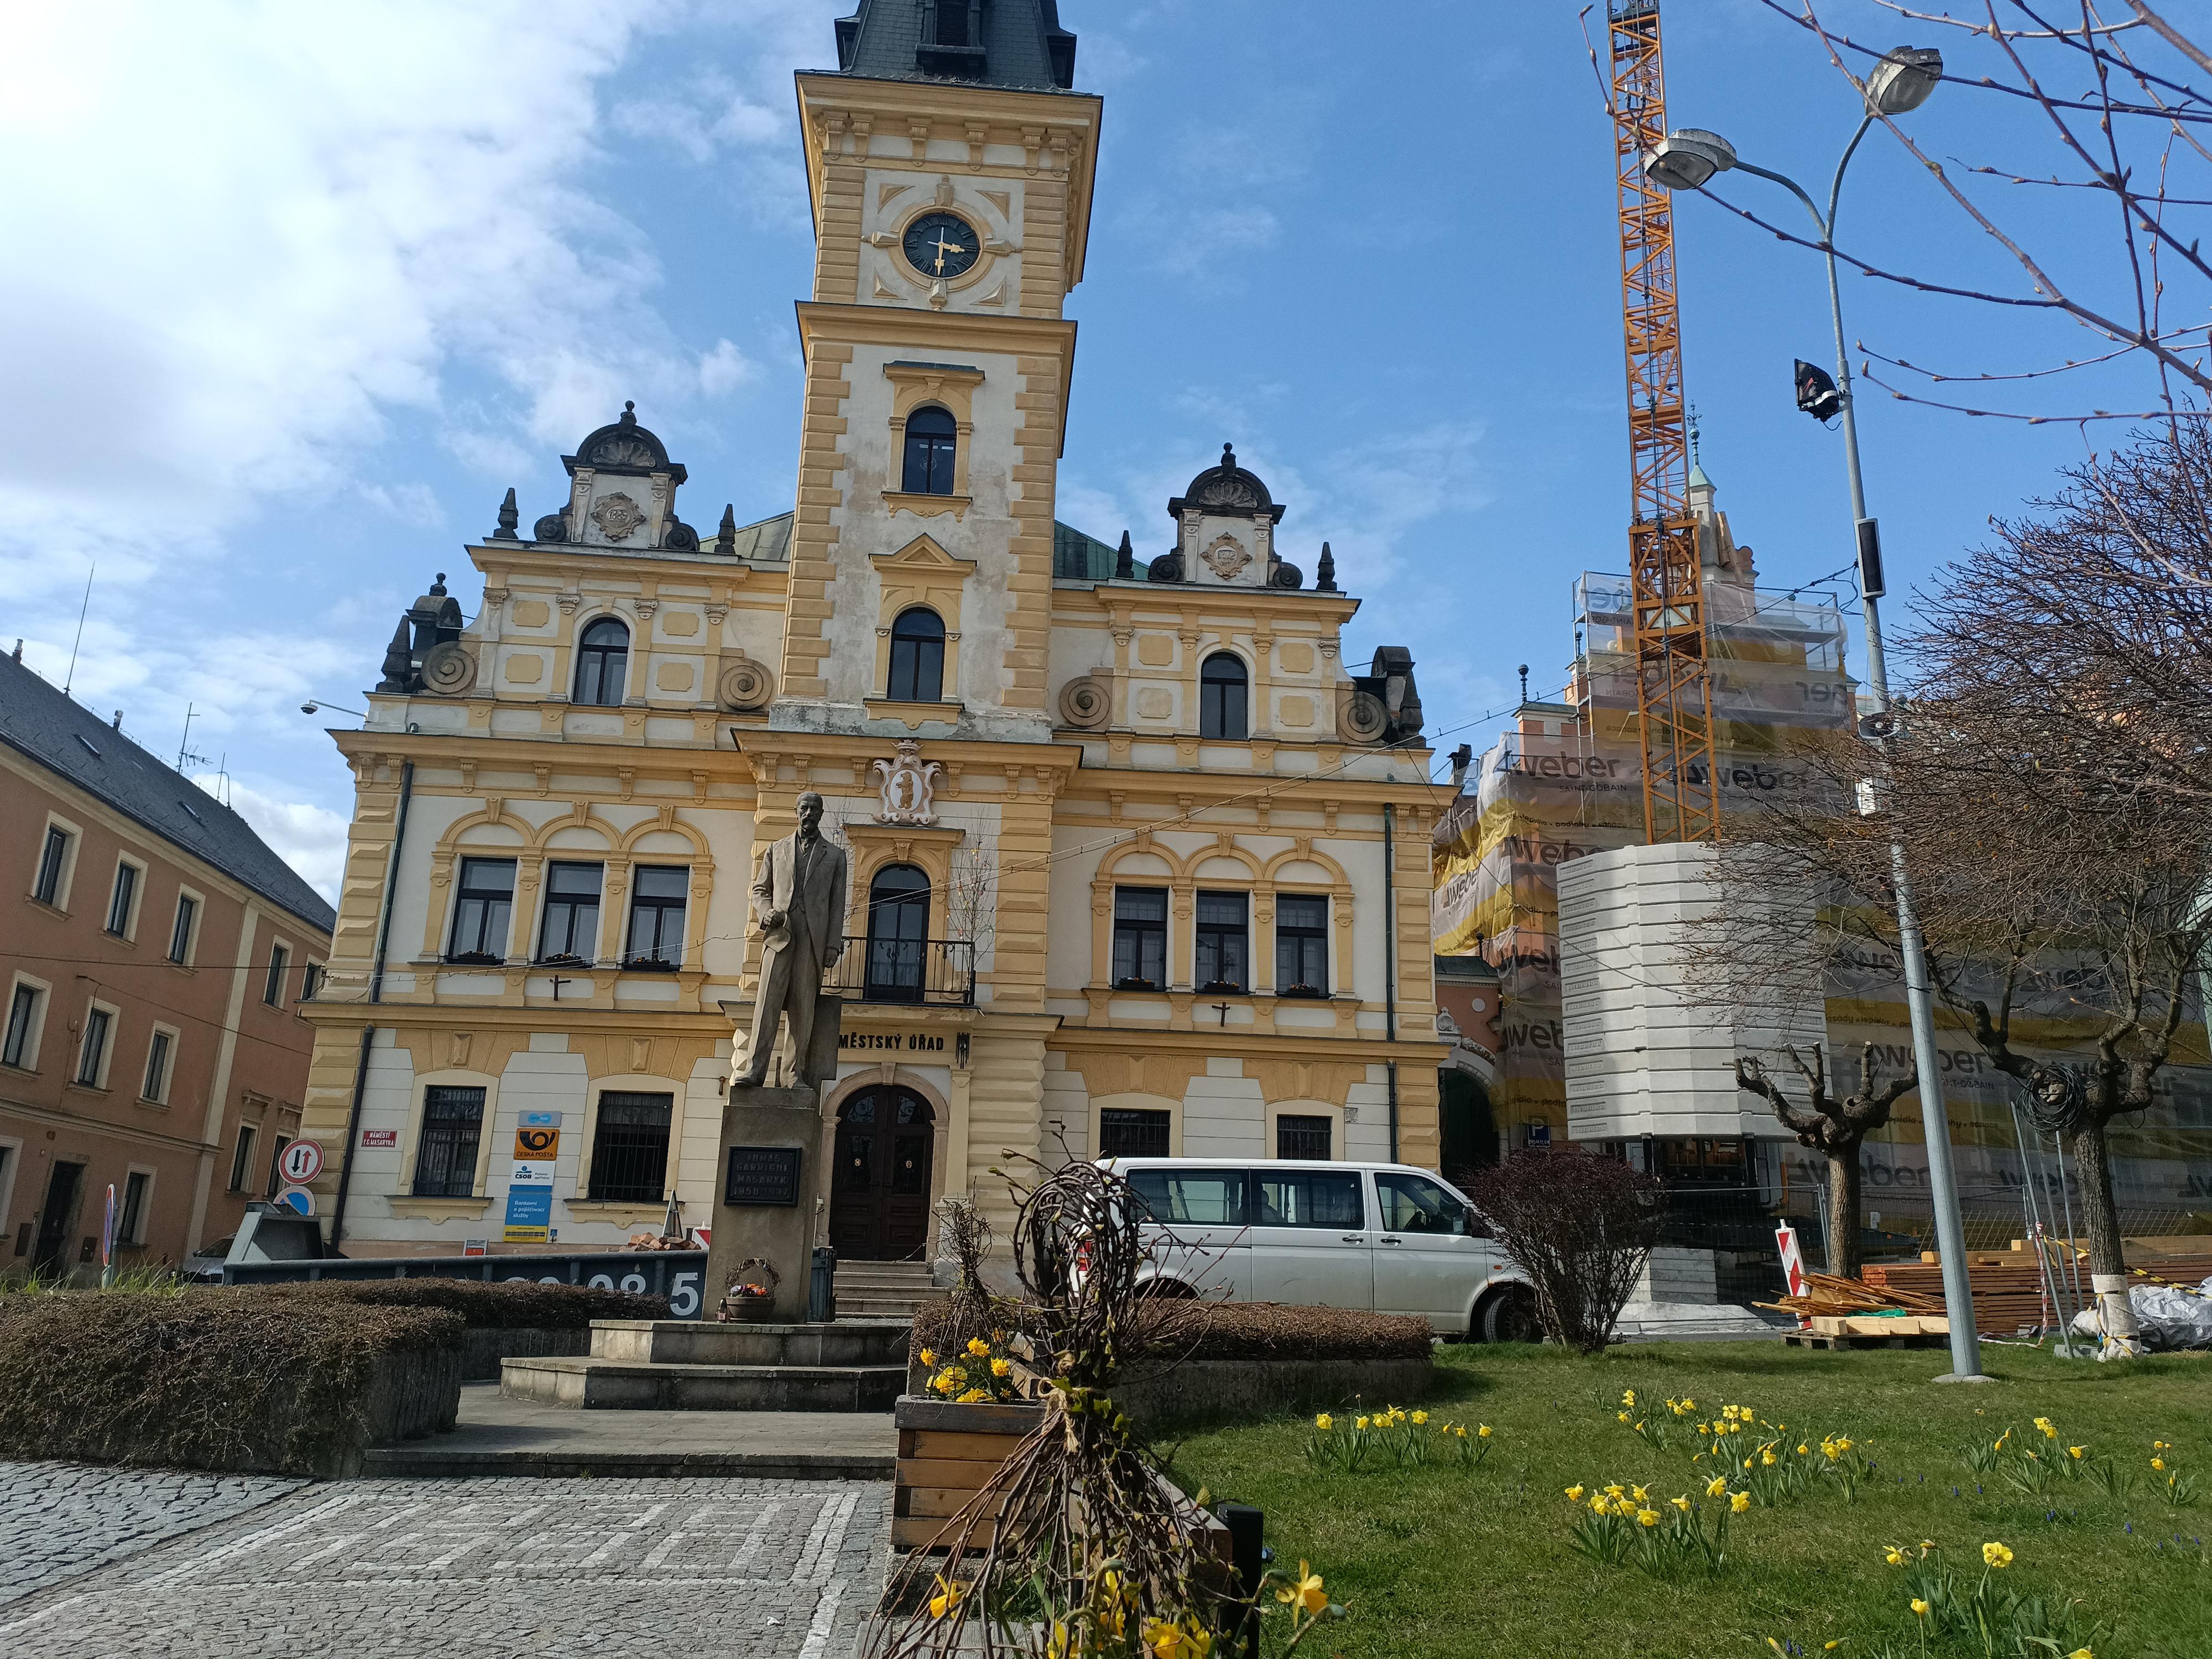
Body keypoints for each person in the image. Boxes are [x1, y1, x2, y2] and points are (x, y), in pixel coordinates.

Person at [738, 791, 848, 1087]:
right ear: (796, 811)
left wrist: (833, 946)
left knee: (803, 1009)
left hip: (813, 938)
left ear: (821, 813)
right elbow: (759, 890)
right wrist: (766, 912)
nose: (809, 812)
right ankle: (754, 1071)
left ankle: (792, 1075)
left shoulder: (836, 856)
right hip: (779, 935)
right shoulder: (776, 849)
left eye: (814, 808)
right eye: (804, 807)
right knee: (766, 1006)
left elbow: (838, 905)